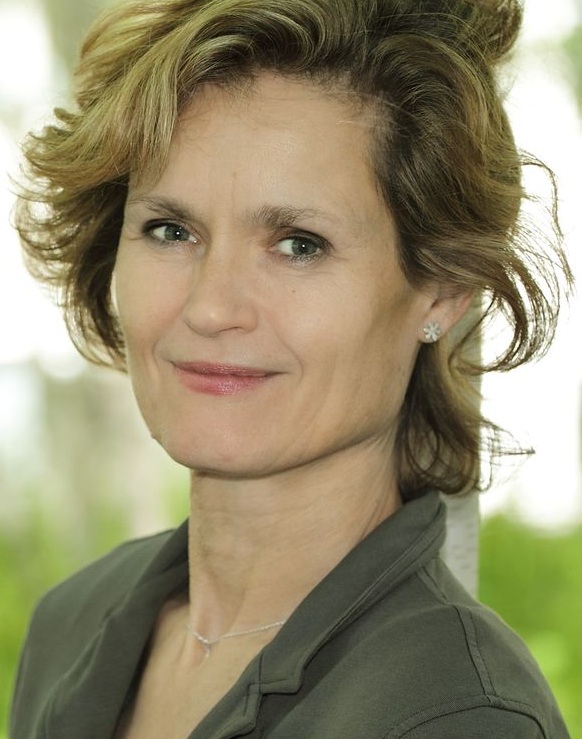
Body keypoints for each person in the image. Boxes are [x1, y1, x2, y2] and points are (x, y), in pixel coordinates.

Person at [10, 0, 573, 737]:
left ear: (441, 291)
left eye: (299, 244)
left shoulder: (459, 714)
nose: (211, 307)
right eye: (171, 230)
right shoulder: (71, 623)